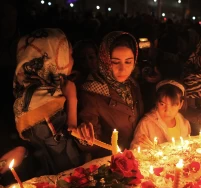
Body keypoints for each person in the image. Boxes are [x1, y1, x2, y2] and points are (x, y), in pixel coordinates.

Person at [13, 28, 83, 175]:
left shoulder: (29, 94)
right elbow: (65, 155)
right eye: (69, 55)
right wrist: (72, 98)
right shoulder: (44, 106)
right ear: (53, 59)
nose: (73, 60)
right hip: (61, 182)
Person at [73, 31, 144, 159]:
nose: (123, 69)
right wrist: (86, 136)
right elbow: (92, 141)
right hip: (112, 162)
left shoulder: (132, 84)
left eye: (128, 62)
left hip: (138, 155)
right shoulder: (92, 92)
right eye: (115, 62)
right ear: (105, 60)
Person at [131, 80, 191, 149]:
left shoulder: (184, 124)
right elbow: (135, 151)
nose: (167, 110)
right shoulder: (146, 124)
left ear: (181, 104)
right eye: (162, 104)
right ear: (156, 102)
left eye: (173, 105)